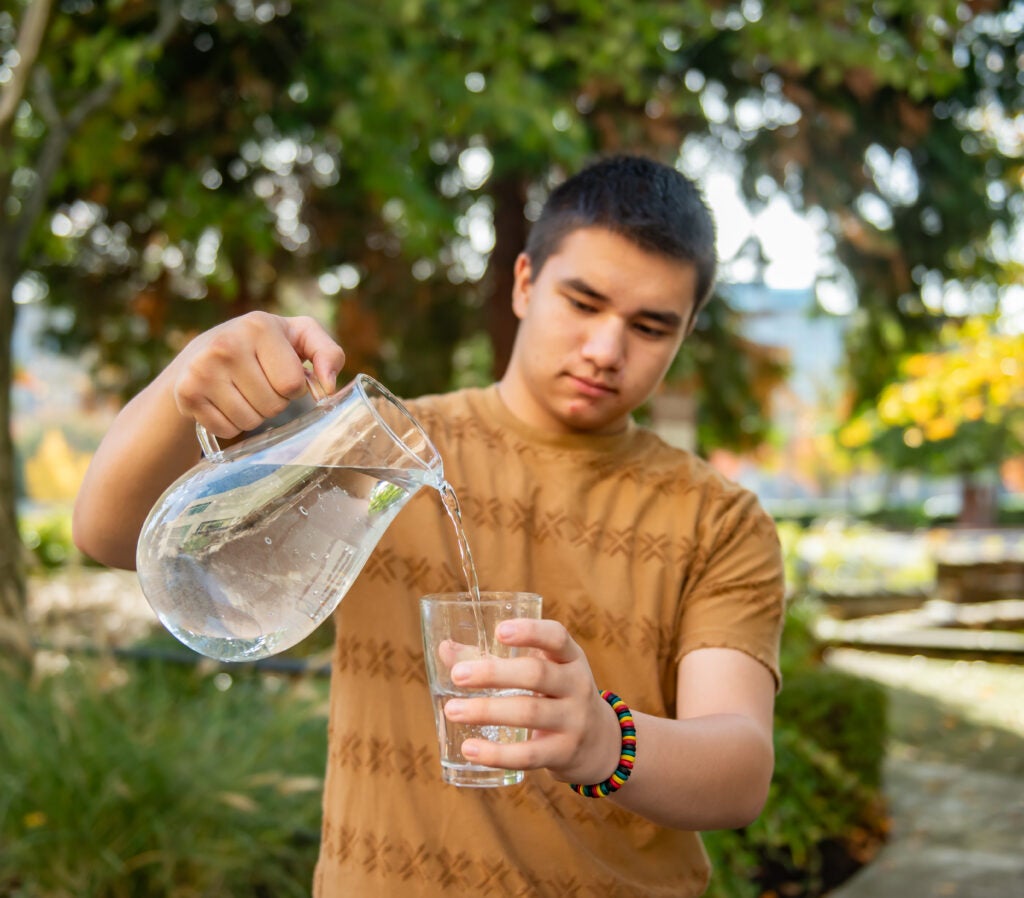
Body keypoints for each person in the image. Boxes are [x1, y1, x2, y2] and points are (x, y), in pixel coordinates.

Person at [74, 153, 785, 897]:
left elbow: (738, 773)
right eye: (583, 302)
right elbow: (110, 535)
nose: (606, 350)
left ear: (686, 331)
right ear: (523, 284)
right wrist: (182, 382)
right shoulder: (382, 453)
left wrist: (605, 740)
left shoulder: (718, 519)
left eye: (649, 326)